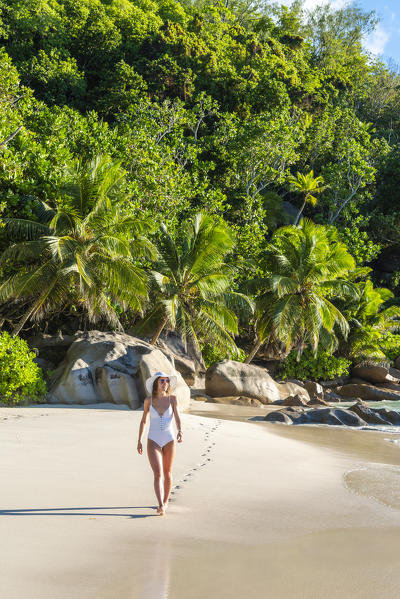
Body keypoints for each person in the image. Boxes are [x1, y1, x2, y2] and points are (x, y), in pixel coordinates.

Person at [137, 371, 183, 516]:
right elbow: (144, 420)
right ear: (156, 383)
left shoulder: (173, 399)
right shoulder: (148, 401)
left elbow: (177, 417)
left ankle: (166, 500)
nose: (165, 383)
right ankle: (160, 504)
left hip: (169, 439)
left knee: (168, 473)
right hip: (153, 440)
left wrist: (180, 431)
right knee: (158, 474)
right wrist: (139, 440)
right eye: (162, 381)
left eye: (167, 381)